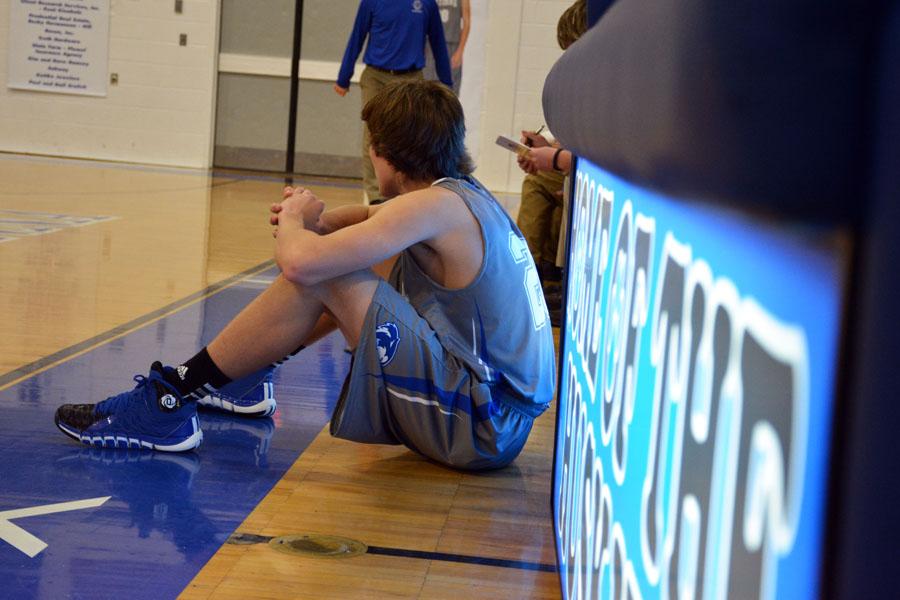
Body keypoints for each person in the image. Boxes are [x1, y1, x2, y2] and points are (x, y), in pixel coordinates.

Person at [55, 81, 556, 471]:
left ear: (385, 152)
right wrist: (318, 222)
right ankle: (242, 381)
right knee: (361, 261)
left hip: (480, 427)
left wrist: (296, 220)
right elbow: (369, 222)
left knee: (326, 274)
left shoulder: (432, 208)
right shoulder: (460, 196)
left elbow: (301, 263)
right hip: (497, 421)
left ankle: (172, 398)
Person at [334, 0, 453, 203]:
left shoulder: (426, 4)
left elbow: (438, 42)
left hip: (411, 77)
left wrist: (447, 81)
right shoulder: (371, 2)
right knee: (374, 135)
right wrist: (344, 77)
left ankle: (409, 192)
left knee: (414, 138)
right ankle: (375, 196)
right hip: (376, 77)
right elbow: (357, 36)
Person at [422, 0, 471, 95]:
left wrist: (460, 51)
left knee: (449, 92)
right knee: (426, 90)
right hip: (429, 45)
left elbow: (467, 23)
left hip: (451, 45)